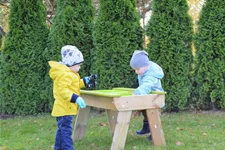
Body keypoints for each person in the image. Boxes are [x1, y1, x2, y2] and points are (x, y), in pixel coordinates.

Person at [49, 45, 94, 150]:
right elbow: (63, 91)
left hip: (65, 108)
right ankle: (68, 148)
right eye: (78, 65)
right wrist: (76, 98)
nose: (79, 67)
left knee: (62, 130)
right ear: (70, 63)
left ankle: (58, 147)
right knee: (66, 131)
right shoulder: (64, 74)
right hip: (64, 109)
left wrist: (85, 81)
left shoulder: (69, 73)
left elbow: (74, 85)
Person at [130, 50, 165, 141]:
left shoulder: (151, 75)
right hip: (148, 97)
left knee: (154, 115)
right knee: (145, 113)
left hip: (156, 99)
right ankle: (146, 128)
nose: (136, 72)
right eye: (135, 69)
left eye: (137, 69)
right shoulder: (144, 70)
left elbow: (147, 85)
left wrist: (138, 92)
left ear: (145, 66)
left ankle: (155, 134)